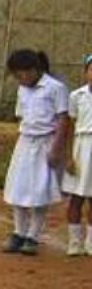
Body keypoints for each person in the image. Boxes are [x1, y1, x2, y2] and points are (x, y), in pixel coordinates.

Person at [2, 49, 67, 256]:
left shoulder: (55, 88)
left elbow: (63, 119)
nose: (22, 79)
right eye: (18, 76)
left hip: (45, 142)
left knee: (40, 191)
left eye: (25, 74)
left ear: (35, 70)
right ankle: (18, 232)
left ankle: (33, 236)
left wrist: (56, 148)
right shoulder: (23, 90)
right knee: (18, 188)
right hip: (25, 141)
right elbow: (21, 117)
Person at [62, 54, 92, 256]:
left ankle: (90, 242)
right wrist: (68, 156)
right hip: (81, 146)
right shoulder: (76, 96)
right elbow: (69, 128)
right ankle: (74, 241)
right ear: (85, 72)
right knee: (76, 197)